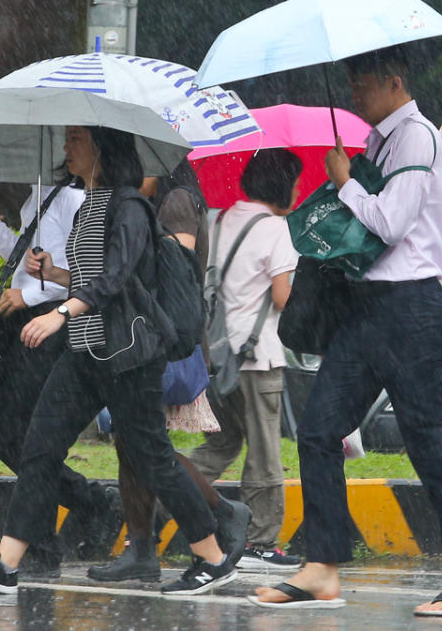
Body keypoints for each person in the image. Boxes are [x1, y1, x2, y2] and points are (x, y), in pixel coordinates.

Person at [252, 46, 442, 616]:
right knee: (318, 429)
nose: (355, 96)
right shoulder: (379, 141)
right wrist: (348, 180)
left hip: (410, 307)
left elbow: (389, 221)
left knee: (429, 440)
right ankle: (322, 567)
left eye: (362, 86)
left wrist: (344, 183)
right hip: (365, 308)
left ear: (393, 82)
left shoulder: (417, 137)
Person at [0, 126, 237, 596]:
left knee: (153, 458)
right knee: (39, 447)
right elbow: (87, 273)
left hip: (125, 356)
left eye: (76, 139)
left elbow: (117, 276)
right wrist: (53, 274)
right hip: (84, 355)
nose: (66, 147)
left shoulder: (129, 207)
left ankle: (213, 557)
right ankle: (6, 562)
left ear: (101, 148)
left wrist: (59, 312)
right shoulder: (89, 204)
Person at [87, 166, 252, 585]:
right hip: (138, 337)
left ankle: (222, 511)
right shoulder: (151, 204)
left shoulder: (176, 202)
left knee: (147, 445)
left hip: (163, 342)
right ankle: (141, 548)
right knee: (132, 444)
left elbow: (174, 271)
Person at [0, 176, 116, 574]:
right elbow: (26, 261)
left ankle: (59, 530)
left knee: (20, 438)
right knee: (18, 440)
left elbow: (81, 272)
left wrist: (28, 296)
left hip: (51, 327)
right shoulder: (40, 192)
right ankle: (84, 508)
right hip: (26, 327)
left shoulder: (71, 198)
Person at [189, 149, 303, 572]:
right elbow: (280, 297)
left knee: (221, 442)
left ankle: (166, 502)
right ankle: (259, 544)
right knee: (265, 451)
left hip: (216, 354)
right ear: (280, 185)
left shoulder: (220, 219)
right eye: (294, 182)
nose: (297, 190)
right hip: (257, 358)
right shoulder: (276, 228)